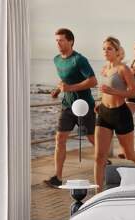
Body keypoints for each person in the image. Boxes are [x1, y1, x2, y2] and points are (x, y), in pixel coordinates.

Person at [44, 28, 97, 188]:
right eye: (56, 40)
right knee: (60, 139)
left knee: (92, 139)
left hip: (85, 105)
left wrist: (70, 88)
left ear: (71, 41)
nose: (58, 43)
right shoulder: (56, 60)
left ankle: (104, 163)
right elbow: (64, 81)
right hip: (67, 106)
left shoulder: (79, 60)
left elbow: (93, 81)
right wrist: (58, 90)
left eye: (61, 40)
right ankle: (57, 177)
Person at [95, 37, 135, 192]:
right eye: (104, 48)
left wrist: (113, 92)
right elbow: (103, 91)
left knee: (129, 154)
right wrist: (99, 103)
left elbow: (134, 92)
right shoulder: (104, 69)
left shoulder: (123, 69)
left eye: (109, 49)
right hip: (104, 113)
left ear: (117, 51)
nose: (105, 51)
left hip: (120, 114)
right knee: (99, 156)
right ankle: (98, 193)